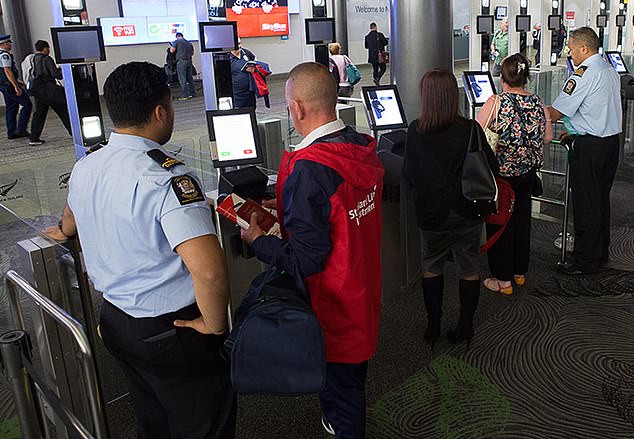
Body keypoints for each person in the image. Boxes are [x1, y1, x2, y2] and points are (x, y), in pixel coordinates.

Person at [45, 62, 236, 438]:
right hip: (174, 330)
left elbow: (71, 217)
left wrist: (63, 231)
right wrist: (214, 325)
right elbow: (209, 272)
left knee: (154, 417)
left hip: (115, 322)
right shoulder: (169, 177)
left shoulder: (87, 165)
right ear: (160, 111)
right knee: (203, 420)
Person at [241, 62, 384, 439]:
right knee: (352, 376)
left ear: (298, 108)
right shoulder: (358, 145)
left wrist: (260, 243)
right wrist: (288, 205)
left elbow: (306, 257)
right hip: (362, 287)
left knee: (345, 389)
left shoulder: (308, 170)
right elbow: (335, 212)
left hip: (333, 302)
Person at [404, 69, 498, 350]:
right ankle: (466, 326)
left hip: (432, 214)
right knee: (469, 267)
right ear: (454, 95)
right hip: (468, 210)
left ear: (426, 97)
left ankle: (433, 326)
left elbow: (409, 175)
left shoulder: (415, 131)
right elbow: (490, 166)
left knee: (431, 265)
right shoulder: (470, 128)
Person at [476, 54, 553, 295]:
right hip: (528, 173)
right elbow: (548, 136)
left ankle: (502, 279)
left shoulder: (496, 102)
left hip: (502, 176)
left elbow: (477, 133)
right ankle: (520, 272)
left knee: (500, 223)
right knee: (522, 220)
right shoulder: (539, 102)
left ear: (502, 78)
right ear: (526, 78)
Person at [548, 27, 622, 275]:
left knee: (586, 204)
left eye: (570, 47)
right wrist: (576, 130)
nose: (568, 51)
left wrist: (526, 108)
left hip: (591, 149)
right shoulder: (608, 70)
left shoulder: (583, 74)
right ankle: (600, 255)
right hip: (610, 145)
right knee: (601, 201)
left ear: (584, 48)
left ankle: (584, 263)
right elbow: (597, 110)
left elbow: (557, 111)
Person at [27, 40, 72, 146]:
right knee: (63, 110)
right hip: (50, 91)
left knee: (39, 114)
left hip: (39, 91)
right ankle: (74, 132)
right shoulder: (47, 59)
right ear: (45, 48)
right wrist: (61, 72)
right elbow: (55, 74)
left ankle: (34, 137)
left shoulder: (33, 58)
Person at [0, 34, 32, 140]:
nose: (10, 44)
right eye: (8, 43)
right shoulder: (5, 55)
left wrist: (17, 81)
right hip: (9, 86)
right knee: (27, 104)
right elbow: (7, 71)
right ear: (4, 44)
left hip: (3, 85)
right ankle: (21, 129)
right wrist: (16, 86)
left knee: (11, 107)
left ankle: (12, 131)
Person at [230, 39, 258, 108]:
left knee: (251, 110)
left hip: (249, 92)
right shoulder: (226, 57)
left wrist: (254, 68)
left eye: (239, 43)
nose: (239, 46)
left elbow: (255, 62)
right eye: (236, 44)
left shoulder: (247, 53)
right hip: (236, 94)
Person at [169, 32, 196, 100]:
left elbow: (172, 51)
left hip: (181, 62)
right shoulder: (189, 43)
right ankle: (193, 93)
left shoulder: (177, 42)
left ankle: (185, 95)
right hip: (189, 61)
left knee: (182, 78)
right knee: (190, 78)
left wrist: (171, 47)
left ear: (177, 36)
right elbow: (192, 53)